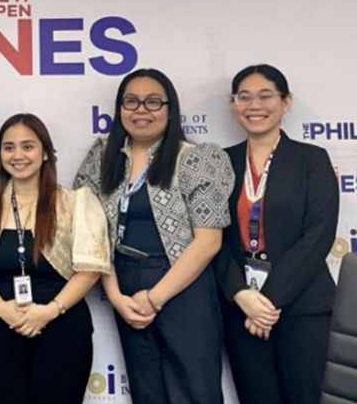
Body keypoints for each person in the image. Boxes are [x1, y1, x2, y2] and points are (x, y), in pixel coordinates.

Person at [74, 68, 234, 404]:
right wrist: (116, 295)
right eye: (131, 102)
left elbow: (208, 242)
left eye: (152, 102)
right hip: (124, 283)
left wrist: (154, 297)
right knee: (147, 391)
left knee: (195, 390)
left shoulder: (195, 158)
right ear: (119, 109)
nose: (141, 110)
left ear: (170, 109)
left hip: (182, 284)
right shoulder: (102, 157)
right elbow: (91, 234)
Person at [215, 64, 339, 404]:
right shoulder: (221, 163)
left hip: (301, 307)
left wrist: (267, 303)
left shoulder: (311, 160)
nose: (255, 105)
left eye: (266, 96)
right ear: (233, 105)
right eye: (245, 97)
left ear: (286, 102)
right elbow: (213, 239)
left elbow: (318, 234)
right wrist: (241, 294)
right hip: (241, 307)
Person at [0, 114, 110, 404]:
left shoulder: (73, 202)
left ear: (45, 152)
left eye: (27, 146)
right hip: (1, 326)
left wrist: (49, 311)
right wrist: (0, 309)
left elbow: (90, 268)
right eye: (8, 148)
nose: (18, 155)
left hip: (62, 326)